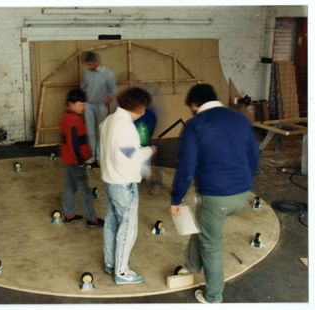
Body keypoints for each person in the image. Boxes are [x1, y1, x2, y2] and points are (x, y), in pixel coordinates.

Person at [170, 84, 259, 303]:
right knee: (202, 223)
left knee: (212, 245)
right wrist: (243, 182)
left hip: (216, 196)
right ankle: (191, 266)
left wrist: (176, 198)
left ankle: (213, 297)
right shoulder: (239, 119)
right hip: (242, 193)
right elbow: (254, 156)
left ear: (194, 104)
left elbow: (186, 167)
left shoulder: (195, 125)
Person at [100, 87, 157, 284]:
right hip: (123, 183)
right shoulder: (124, 127)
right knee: (127, 227)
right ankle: (122, 271)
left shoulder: (108, 122)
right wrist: (149, 150)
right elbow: (129, 156)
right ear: (140, 107)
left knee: (111, 223)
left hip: (109, 179)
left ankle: (110, 263)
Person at [59, 88, 104, 228]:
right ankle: (92, 219)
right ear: (71, 104)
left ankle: (69, 214)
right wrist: (80, 161)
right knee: (84, 190)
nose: (83, 107)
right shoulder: (73, 120)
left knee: (69, 186)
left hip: (69, 159)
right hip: (76, 161)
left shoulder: (65, 117)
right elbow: (74, 143)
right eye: (80, 104)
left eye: (84, 104)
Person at [81, 51, 116, 165]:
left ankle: (100, 156)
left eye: (91, 64)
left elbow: (112, 91)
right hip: (89, 105)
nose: (89, 66)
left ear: (96, 62)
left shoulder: (108, 74)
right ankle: (93, 155)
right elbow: (83, 87)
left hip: (101, 105)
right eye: (88, 64)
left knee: (101, 131)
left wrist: (107, 102)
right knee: (90, 131)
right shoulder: (87, 74)